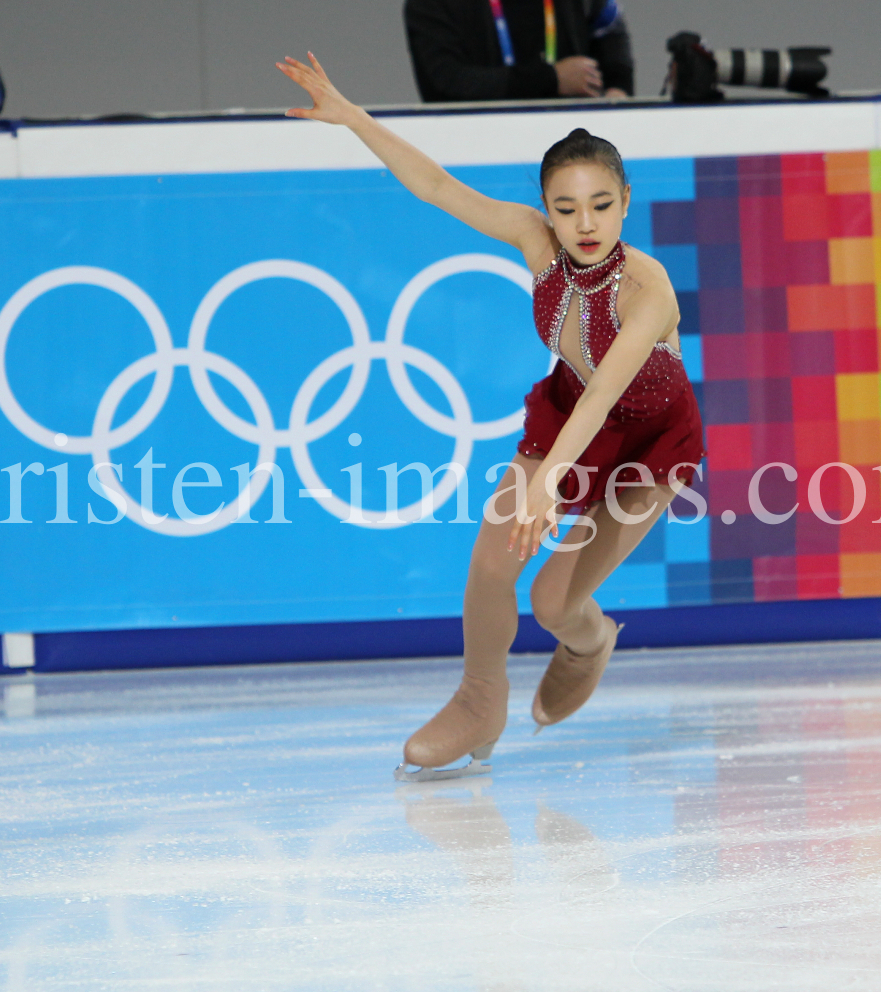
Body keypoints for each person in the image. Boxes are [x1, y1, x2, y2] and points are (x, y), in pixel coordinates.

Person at [275, 53, 704, 781]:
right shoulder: (537, 243)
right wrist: (353, 119)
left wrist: (545, 487)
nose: (584, 223)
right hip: (568, 412)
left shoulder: (647, 287)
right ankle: (480, 702)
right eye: (565, 208)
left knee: (553, 602)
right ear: (545, 206)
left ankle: (591, 641)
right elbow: (438, 187)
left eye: (601, 205)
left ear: (626, 200)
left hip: (646, 444)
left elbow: (608, 394)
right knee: (489, 565)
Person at [403, 0, 633, 102]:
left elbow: (610, 30)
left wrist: (618, 89)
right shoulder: (430, 5)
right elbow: (447, 82)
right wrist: (551, 79)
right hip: (477, 147)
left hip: (574, 141)